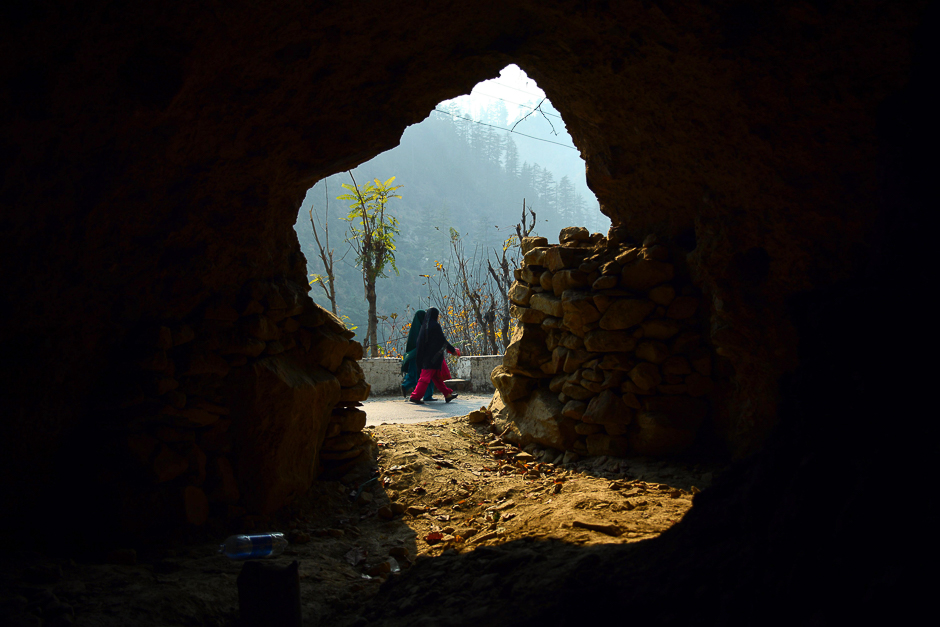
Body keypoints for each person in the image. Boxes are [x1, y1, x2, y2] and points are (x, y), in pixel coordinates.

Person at [409, 307, 460, 404]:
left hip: (426, 357)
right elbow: (443, 341)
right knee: (425, 377)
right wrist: (453, 350)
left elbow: (420, 344)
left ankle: (447, 395)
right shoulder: (435, 326)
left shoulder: (424, 327)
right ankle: (415, 396)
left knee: (436, 377)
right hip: (433, 358)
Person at [400, 310, 437, 401]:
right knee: (427, 376)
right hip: (423, 357)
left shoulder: (414, 331)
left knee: (414, 375)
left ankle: (405, 385)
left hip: (412, 356)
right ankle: (427, 396)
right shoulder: (424, 329)